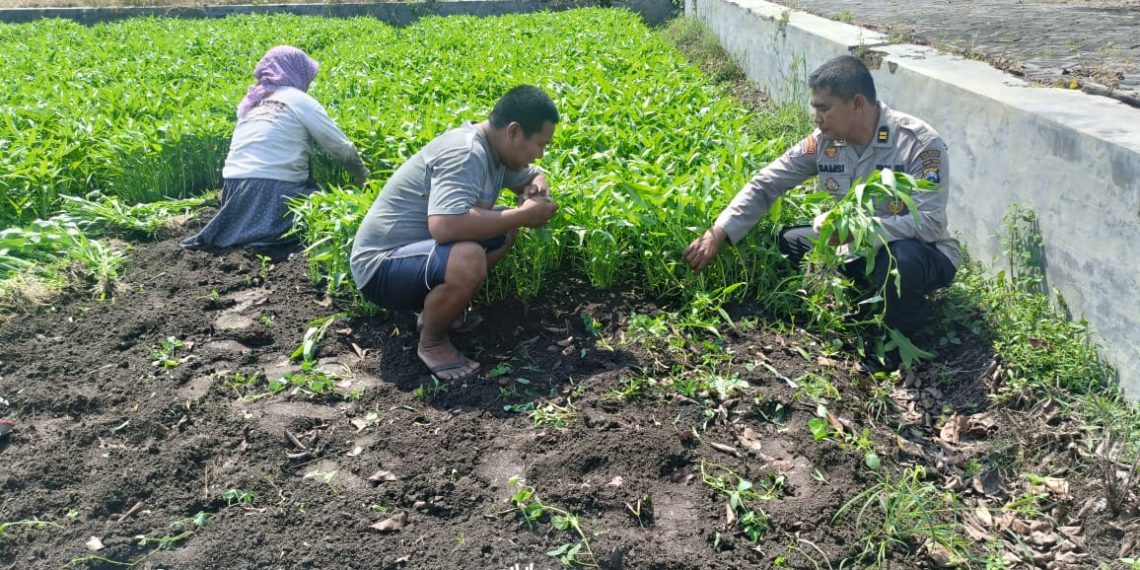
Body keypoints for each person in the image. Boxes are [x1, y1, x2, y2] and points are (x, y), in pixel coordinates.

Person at [683, 55, 959, 339]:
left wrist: (860, 230)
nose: (817, 118)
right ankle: (854, 299)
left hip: (922, 252)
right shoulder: (824, 142)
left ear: (857, 103)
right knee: (790, 241)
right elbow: (767, 182)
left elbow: (930, 223)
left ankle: (899, 340)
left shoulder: (919, 144)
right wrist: (718, 232)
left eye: (824, 109)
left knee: (903, 257)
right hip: (858, 249)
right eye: (815, 109)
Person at [350, 85, 559, 381]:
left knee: (504, 227)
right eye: (539, 144)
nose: (540, 153)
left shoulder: (497, 152)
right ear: (513, 131)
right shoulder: (466, 152)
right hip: (380, 267)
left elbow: (533, 176)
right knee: (468, 256)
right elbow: (445, 225)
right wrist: (523, 214)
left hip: (417, 259)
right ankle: (432, 342)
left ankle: (442, 311)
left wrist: (535, 196)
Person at [182, 45, 369, 251]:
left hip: (233, 190)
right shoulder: (299, 100)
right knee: (329, 214)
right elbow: (342, 150)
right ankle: (269, 237)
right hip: (275, 189)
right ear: (297, 71)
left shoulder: (253, 101)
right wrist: (364, 180)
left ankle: (248, 232)